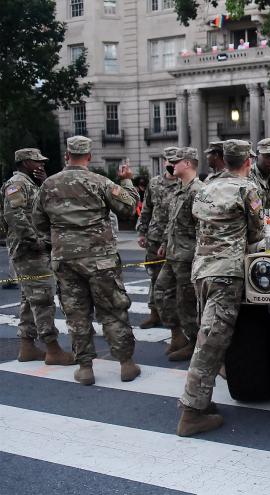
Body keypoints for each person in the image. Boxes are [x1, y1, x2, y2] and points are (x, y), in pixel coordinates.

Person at [32, 136, 142, 386]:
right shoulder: (99, 181)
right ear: (89, 157)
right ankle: (126, 364)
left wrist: (57, 242)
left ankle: (85, 367)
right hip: (100, 260)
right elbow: (128, 208)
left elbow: (38, 222)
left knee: (76, 313)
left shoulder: (48, 185)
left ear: (67, 155)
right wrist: (126, 179)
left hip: (65, 260)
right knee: (113, 310)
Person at [177, 139, 264, 437]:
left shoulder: (205, 188)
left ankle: (202, 401)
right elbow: (257, 232)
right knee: (211, 343)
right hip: (227, 274)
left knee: (209, 335)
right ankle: (192, 412)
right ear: (248, 161)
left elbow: (196, 223)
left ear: (224, 160)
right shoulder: (246, 189)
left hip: (201, 272)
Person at [2, 148, 74, 365]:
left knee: (29, 299)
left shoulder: (30, 184)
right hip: (29, 251)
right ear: (24, 163)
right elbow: (14, 215)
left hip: (32, 250)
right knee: (42, 299)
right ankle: (52, 349)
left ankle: (27, 346)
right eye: (36, 162)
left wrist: (44, 183)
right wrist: (36, 241)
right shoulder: (17, 184)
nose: (41, 164)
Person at [153, 147, 204, 361]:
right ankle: (178, 335)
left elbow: (203, 227)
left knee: (187, 305)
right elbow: (172, 222)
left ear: (189, 164)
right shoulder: (179, 189)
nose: (171, 165)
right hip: (174, 255)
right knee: (161, 293)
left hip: (188, 257)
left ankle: (194, 344)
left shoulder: (198, 191)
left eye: (177, 161)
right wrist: (165, 242)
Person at [136, 147, 179, 331]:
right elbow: (146, 210)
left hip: (176, 240)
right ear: (164, 162)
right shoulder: (154, 183)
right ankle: (154, 314)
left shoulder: (183, 183)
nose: (171, 164)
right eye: (168, 160)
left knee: (175, 281)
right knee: (154, 279)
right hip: (155, 238)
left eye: (174, 161)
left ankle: (176, 319)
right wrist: (142, 232)